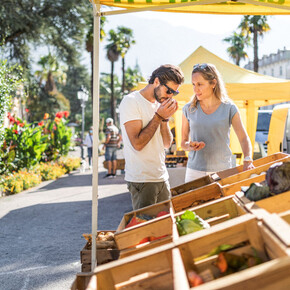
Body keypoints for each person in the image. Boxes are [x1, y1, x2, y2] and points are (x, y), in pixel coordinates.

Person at [119, 64, 184, 210]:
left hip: (161, 176)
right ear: (156, 82)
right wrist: (158, 116)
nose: (170, 96)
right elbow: (137, 144)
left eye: (174, 93)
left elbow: (167, 143)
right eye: (168, 90)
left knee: (166, 227)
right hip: (142, 179)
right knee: (147, 228)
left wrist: (165, 119)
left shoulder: (159, 105)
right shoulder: (131, 101)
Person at [181, 63, 255, 183]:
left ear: (213, 83)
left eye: (200, 84)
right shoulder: (188, 109)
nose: (195, 89)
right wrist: (190, 145)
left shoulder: (229, 108)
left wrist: (247, 160)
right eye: (193, 84)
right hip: (194, 172)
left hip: (223, 171)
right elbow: (183, 142)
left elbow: (243, 138)